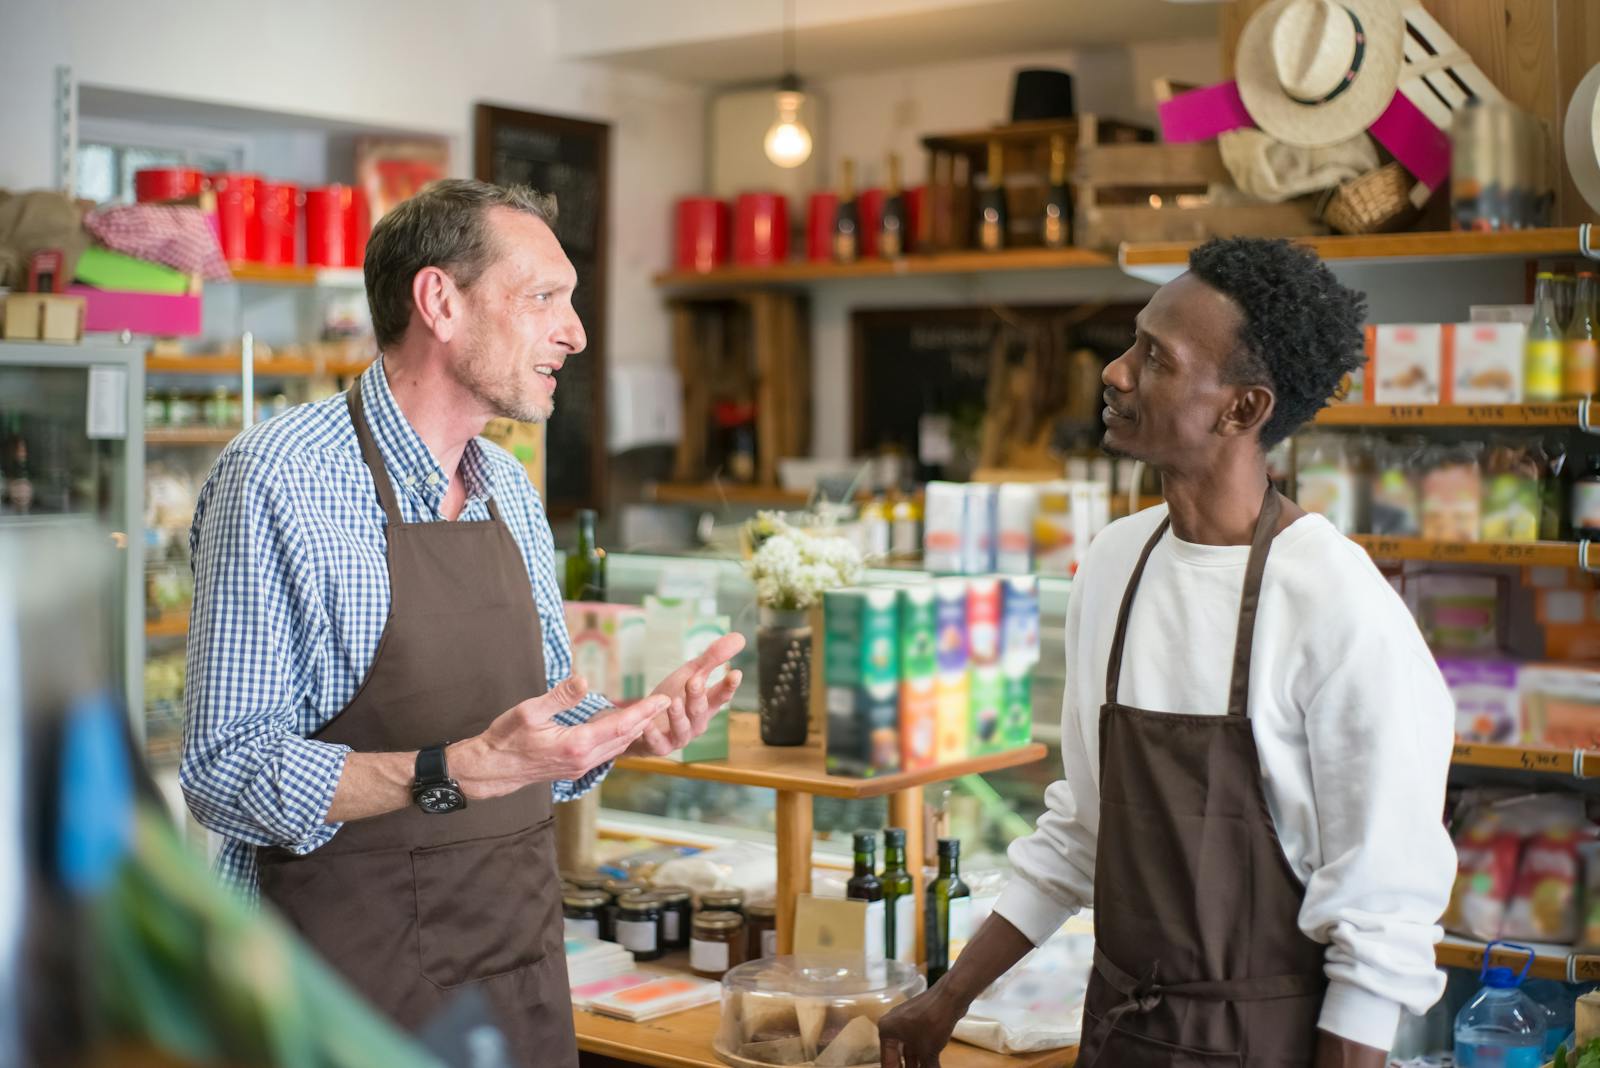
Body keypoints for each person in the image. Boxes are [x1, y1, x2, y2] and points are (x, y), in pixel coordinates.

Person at [180, 179, 744, 1067]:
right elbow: (224, 770)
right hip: (336, 1005)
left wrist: (616, 736)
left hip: (514, 986)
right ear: (439, 301)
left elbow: (532, 756)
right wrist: (449, 770)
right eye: (544, 298)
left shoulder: (509, 493)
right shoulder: (280, 481)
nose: (576, 331)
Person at [880, 238, 1454, 1068]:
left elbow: (1382, 925)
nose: (1115, 372)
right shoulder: (1115, 562)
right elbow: (1084, 829)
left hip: (1267, 1046)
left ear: (1242, 409)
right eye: (1130, 343)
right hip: (1119, 1035)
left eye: (1155, 358)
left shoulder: (1337, 603)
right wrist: (945, 1001)